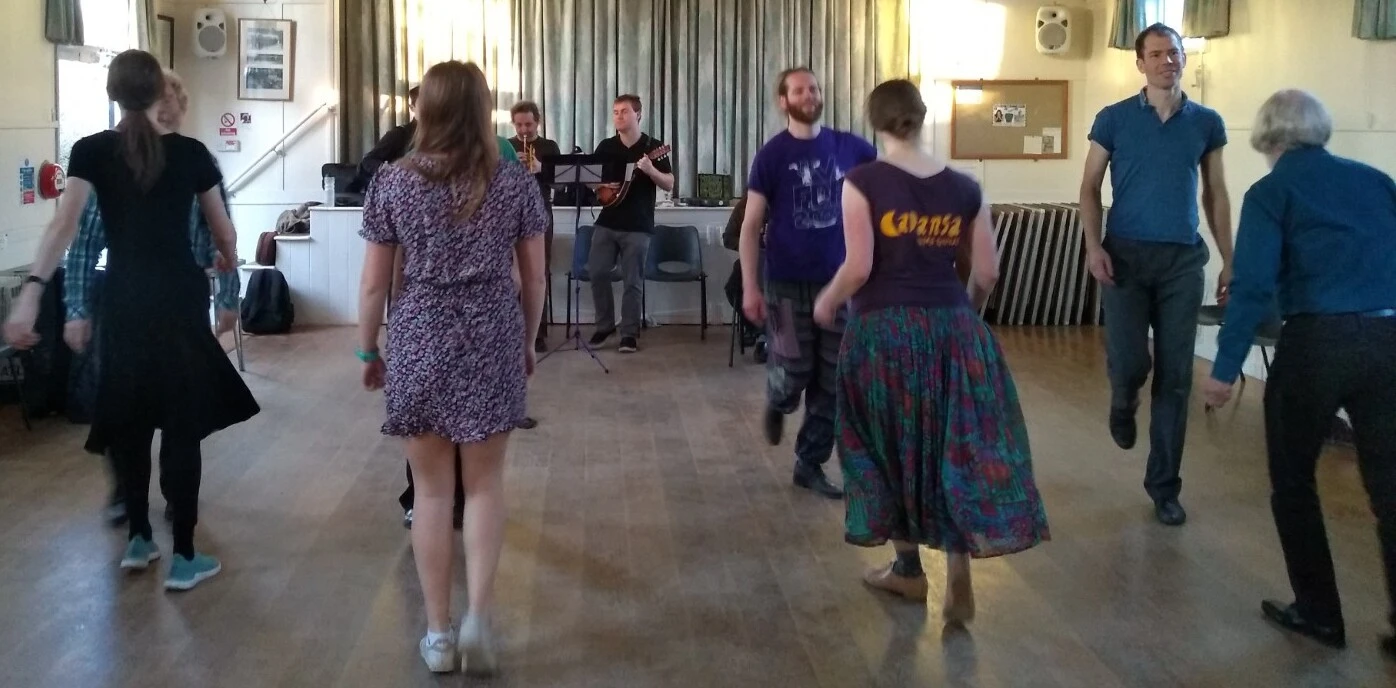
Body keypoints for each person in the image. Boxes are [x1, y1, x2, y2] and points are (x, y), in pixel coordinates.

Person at [3, 49, 259, 591]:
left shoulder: (91, 151)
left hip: (120, 303)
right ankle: (185, 556)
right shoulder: (191, 154)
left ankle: (139, 540)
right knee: (181, 430)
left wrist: (29, 297)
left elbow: (63, 230)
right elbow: (224, 233)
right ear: (159, 95)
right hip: (177, 306)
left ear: (112, 93)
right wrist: (228, 265)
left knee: (131, 419)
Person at [812, 79, 1049, 618]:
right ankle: (959, 565)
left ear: (875, 123)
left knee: (887, 446)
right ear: (922, 118)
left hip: (883, 333)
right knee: (954, 444)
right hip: (953, 328)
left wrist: (826, 303)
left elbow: (859, 268)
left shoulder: (862, 181)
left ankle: (909, 571)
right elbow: (987, 271)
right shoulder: (966, 187)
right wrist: (964, 313)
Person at [356, 60, 547, 676]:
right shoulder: (514, 182)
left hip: (419, 339)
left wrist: (368, 349)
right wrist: (528, 339)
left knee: (433, 493)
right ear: (483, 109)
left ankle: (437, 636)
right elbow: (536, 277)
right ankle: (478, 621)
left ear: (425, 110)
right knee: (486, 485)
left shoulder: (392, 181)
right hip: (491, 333)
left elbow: (372, 285)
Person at [1201, 89, 1396, 657]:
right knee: (1390, 489)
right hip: (1388, 341)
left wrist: (1225, 366)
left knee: (1293, 483)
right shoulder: (1377, 181)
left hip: (1316, 345)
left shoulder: (1272, 191)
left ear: (1269, 138)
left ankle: (1319, 613)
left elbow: (1254, 284)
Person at [63, 68, 240, 529]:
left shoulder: (193, 161)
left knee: (178, 409)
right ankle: (131, 495)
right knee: (125, 404)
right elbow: (82, 242)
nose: (167, 107)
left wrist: (226, 295)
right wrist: (78, 308)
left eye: (174, 98)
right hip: (125, 296)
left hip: (178, 300)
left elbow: (221, 240)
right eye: (159, 97)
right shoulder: (107, 159)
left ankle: (172, 501)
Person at [1078, 23, 1233, 526]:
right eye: (1158, 54)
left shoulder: (1205, 122)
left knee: (1176, 376)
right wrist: (1093, 246)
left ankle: (1164, 486)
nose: (1168, 60)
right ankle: (1123, 401)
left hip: (1181, 263)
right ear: (1140, 63)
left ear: (1184, 59)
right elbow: (1088, 188)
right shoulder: (1114, 119)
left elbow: (1215, 193)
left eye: (1175, 52)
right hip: (1124, 258)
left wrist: (1230, 257)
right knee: (1128, 363)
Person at [738, 66, 877, 499]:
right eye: (799, 89)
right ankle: (779, 400)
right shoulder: (772, 155)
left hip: (841, 286)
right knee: (793, 370)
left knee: (833, 383)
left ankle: (809, 464)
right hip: (784, 284)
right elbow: (750, 226)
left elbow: (884, 198)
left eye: (814, 87)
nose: (809, 94)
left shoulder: (854, 148)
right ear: (784, 101)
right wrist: (750, 286)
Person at [587, 94, 674, 354]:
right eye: (615, 112)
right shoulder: (606, 146)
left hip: (638, 224)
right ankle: (604, 326)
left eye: (624, 111)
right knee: (597, 271)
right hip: (607, 220)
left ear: (638, 114)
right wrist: (602, 187)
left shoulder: (653, 146)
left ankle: (629, 334)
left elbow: (669, 183)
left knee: (632, 281)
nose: (618, 116)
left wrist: (650, 170)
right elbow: (591, 179)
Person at [508, 100, 561, 353]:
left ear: (537, 122)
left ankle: (537, 332)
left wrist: (541, 168)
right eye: (519, 124)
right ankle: (512, 329)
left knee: (539, 272)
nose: (524, 130)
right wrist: (511, 168)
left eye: (528, 124)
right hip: (509, 215)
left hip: (541, 212)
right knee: (510, 274)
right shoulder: (506, 146)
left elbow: (561, 184)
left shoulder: (549, 146)